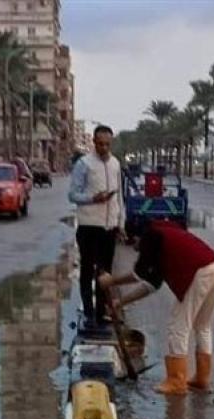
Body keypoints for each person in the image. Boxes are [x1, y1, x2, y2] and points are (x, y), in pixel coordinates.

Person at [98, 221, 214, 395]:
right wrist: (121, 302)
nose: (136, 250)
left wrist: (112, 281)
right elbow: (151, 285)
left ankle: (176, 380)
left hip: (200, 273)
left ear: (136, 237)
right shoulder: (163, 236)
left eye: (134, 245)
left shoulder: (151, 237)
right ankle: (202, 379)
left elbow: (139, 274)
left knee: (178, 325)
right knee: (202, 326)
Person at [68, 125, 125, 328]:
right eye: (100, 144)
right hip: (89, 226)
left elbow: (119, 197)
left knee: (105, 273)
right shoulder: (84, 164)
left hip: (108, 228)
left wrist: (120, 223)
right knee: (87, 270)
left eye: (107, 144)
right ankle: (89, 313)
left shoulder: (116, 164)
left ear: (111, 143)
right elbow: (72, 194)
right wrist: (93, 198)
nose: (103, 147)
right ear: (94, 142)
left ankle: (101, 313)